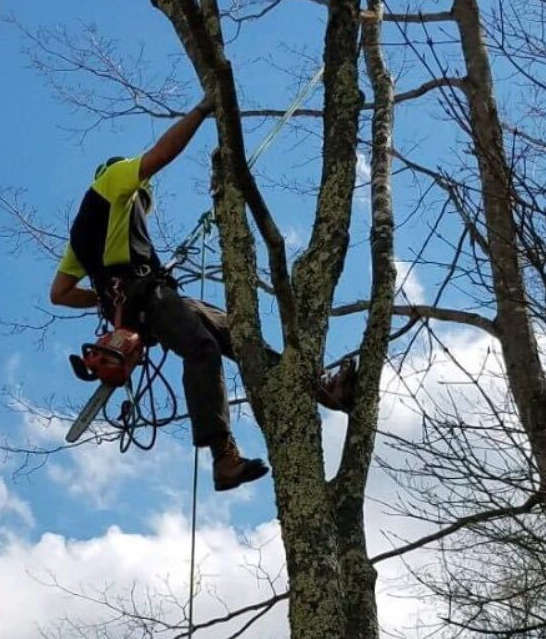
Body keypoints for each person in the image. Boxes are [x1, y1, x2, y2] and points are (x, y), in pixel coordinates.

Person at [50, 97, 355, 492]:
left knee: (232, 329)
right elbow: (161, 154)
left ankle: (319, 387)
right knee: (202, 350)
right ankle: (222, 457)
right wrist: (201, 110)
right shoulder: (113, 183)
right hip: (148, 299)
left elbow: (59, 293)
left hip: (144, 303)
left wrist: (107, 298)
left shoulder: (81, 236)